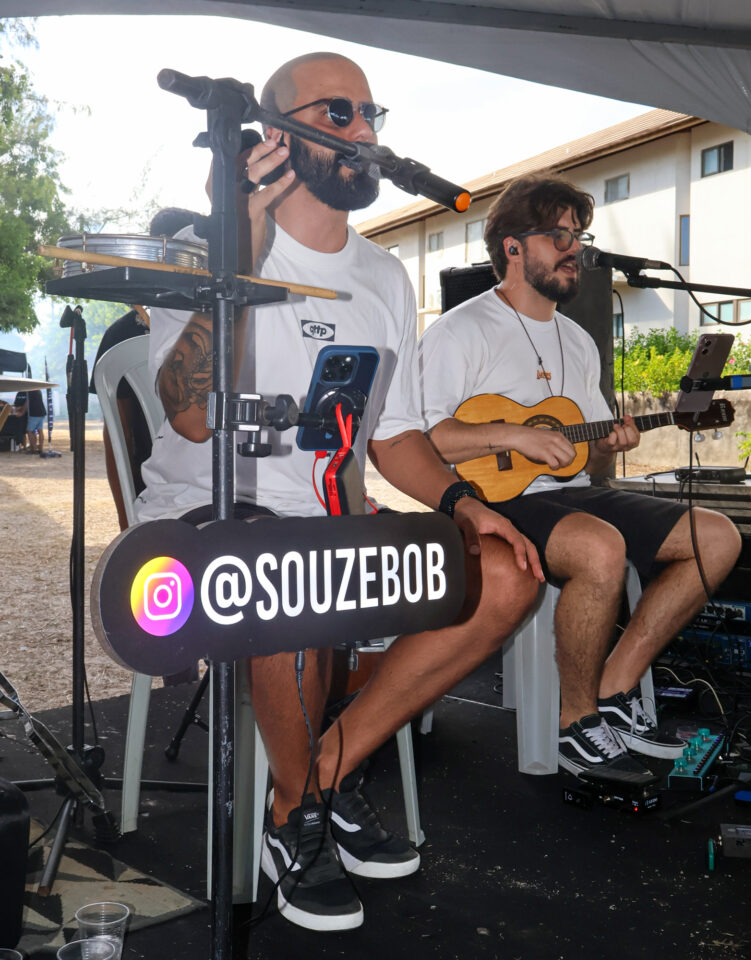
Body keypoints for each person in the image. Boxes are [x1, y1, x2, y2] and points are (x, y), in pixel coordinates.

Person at [136, 53, 541, 932]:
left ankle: (314, 781)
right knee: (294, 567)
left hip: (325, 526)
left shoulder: (384, 277)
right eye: (338, 113)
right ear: (275, 136)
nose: (363, 131)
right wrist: (240, 245)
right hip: (205, 521)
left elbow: (392, 436)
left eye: (370, 114)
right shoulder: (209, 249)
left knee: (508, 573)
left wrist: (466, 505)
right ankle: (299, 811)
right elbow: (193, 417)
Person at [420, 173, 742, 785]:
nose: (575, 250)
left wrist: (610, 445)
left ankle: (615, 687)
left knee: (717, 537)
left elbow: (584, 457)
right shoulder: (460, 331)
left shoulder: (577, 340)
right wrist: (514, 435)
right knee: (600, 548)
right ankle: (575, 722)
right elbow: (425, 440)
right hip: (486, 500)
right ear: (513, 247)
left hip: (567, 496)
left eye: (579, 236)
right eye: (560, 236)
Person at [88, 208, 198, 529]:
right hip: (156, 490)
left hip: (180, 489)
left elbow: (116, 437)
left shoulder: (213, 325)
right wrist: (125, 519)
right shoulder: (123, 333)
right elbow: (117, 436)